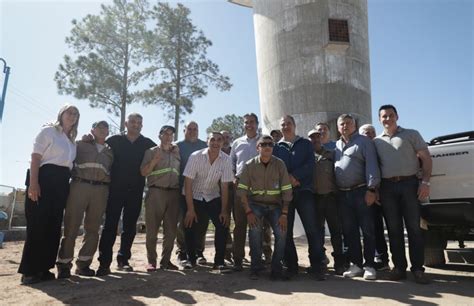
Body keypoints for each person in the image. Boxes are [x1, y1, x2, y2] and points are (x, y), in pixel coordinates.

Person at [18, 104, 80, 285]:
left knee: (53, 228)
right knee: (37, 226)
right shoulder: (48, 132)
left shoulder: (71, 141)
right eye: (70, 112)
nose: (73, 116)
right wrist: (34, 183)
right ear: (61, 114)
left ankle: (44, 269)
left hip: (61, 185)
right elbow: (36, 158)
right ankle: (29, 271)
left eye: (76, 114)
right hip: (44, 180)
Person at [374, 104, 432, 284]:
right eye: (384, 116)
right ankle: (399, 268)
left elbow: (426, 158)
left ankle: (418, 269)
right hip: (387, 188)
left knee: (414, 229)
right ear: (379, 119)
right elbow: (375, 168)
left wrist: (425, 182)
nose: (387, 119)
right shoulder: (376, 141)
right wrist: (375, 190)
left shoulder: (411, 134)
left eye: (391, 115)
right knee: (393, 230)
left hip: (410, 185)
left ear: (397, 117)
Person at [97, 113, 156, 276]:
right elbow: (99, 145)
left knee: (130, 228)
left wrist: (172, 148)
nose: (136, 125)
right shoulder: (114, 141)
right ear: (126, 123)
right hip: (115, 189)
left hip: (136, 191)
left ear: (142, 126)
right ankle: (104, 263)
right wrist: (89, 136)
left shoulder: (147, 144)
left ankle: (123, 260)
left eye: (139, 122)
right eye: (133, 122)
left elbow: (160, 153)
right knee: (110, 225)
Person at [56, 120, 113, 278]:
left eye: (105, 127)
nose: (102, 130)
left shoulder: (111, 151)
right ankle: (64, 264)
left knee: (93, 229)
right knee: (71, 226)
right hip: (79, 187)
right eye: (99, 127)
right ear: (92, 130)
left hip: (101, 190)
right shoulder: (80, 144)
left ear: (108, 132)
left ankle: (83, 265)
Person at [273, 115, 325, 280]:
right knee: (285, 232)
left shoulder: (305, 144)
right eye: (283, 124)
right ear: (280, 128)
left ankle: (317, 266)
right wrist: (288, 179)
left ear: (294, 126)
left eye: (289, 123)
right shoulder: (276, 147)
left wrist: (295, 177)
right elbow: (275, 168)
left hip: (304, 191)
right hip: (284, 195)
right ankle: (292, 266)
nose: (286, 126)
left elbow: (310, 165)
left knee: (312, 229)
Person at [237, 135, 292, 280]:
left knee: (281, 232)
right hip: (255, 205)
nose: (267, 146)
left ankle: (276, 268)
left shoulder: (280, 164)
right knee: (254, 230)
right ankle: (255, 267)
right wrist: (248, 212)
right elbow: (242, 191)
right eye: (263, 144)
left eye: (270, 144)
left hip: (275, 206)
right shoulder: (249, 165)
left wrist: (284, 214)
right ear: (257, 148)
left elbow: (287, 190)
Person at [334, 114, 380, 280]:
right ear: (338, 127)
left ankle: (369, 265)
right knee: (350, 231)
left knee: (367, 230)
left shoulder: (364, 141)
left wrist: (371, 189)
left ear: (354, 125)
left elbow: (372, 165)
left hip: (361, 191)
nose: (345, 126)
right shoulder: (337, 145)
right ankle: (356, 265)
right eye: (342, 124)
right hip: (343, 193)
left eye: (348, 123)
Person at [183, 132, 234, 272]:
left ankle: (219, 262)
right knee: (190, 224)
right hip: (193, 195)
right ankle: (190, 259)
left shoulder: (226, 160)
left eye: (219, 140)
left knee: (223, 224)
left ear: (223, 143)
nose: (215, 142)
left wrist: (224, 210)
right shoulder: (196, 157)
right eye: (212, 139)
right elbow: (187, 184)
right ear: (207, 141)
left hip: (212, 195)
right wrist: (190, 209)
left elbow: (224, 186)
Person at [230, 113, 272, 271]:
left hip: (259, 187)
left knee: (258, 225)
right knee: (240, 224)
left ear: (257, 123)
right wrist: (234, 178)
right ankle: (238, 260)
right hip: (241, 187)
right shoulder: (237, 143)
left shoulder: (264, 141)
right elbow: (232, 163)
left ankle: (258, 257)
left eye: (252, 122)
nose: (249, 125)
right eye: (246, 122)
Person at [140, 125, 181, 272]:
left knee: (171, 231)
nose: (168, 136)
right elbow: (143, 172)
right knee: (152, 229)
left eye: (171, 134)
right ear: (160, 135)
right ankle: (152, 261)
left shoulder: (176, 152)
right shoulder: (151, 152)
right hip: (156, 192)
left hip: (174, 194)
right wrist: (154, 162)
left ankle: (166, 261)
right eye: (165, 133)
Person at [308, 129, 345, 275]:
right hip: (315, 199)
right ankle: (320, 261)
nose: (315, 139)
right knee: (317, 233)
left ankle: (340, 263)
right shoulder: (307, 157)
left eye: (318, 136)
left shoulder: (332, 154)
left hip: (330, 198)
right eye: (312, 137)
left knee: (336, 232)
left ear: (322, 138)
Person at [175, 121, 208, 267]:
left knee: (201, 222)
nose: (193, 131)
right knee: (183, 222)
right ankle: (182, 252)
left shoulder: (204, 146)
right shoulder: (177, 146)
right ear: (184, 130)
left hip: (201, 190)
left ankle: (198, 252)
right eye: (190, 129)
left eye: (195, 129)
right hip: (182, 190)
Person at [359, 123, 390, 271]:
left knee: (383, 228)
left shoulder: (381, 147)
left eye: (371, 132)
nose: (369, 134)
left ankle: (384, 260)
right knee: (370, 228)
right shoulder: (361, 149)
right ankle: (375, 259)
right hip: (367, 194)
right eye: (366, 132)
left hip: (384, 192)